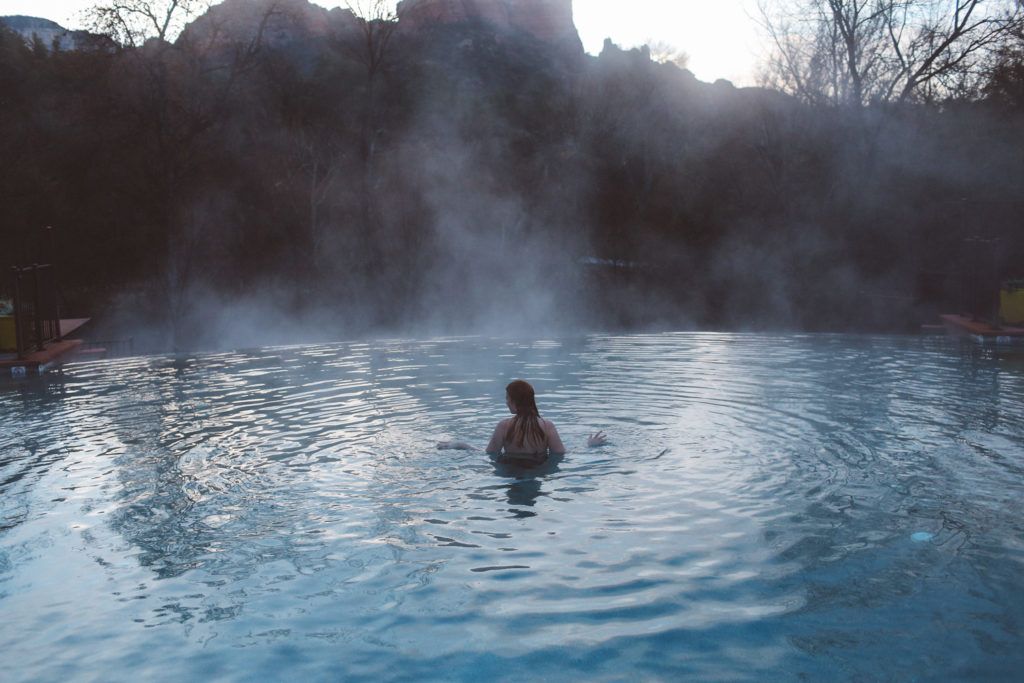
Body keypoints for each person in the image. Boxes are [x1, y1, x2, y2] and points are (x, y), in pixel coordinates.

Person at [438, 379, 606, 466]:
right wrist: (589, 446)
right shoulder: (547, 426)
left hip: (509, 470)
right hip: (539, 469)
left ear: (515, 402)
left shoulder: (504, 425)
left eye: (507, 399)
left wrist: (460, 444)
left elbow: (488, 454)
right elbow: (561, 455)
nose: (505, 402)